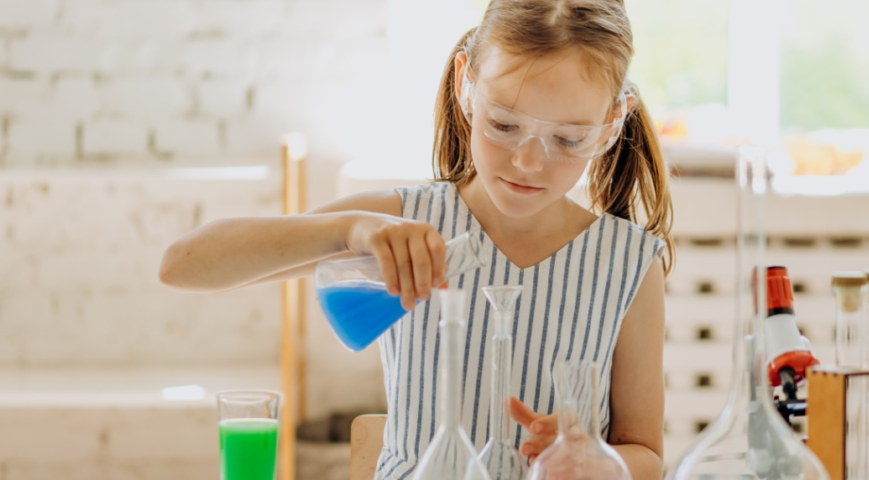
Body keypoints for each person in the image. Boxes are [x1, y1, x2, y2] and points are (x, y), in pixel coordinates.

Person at [159, 0, 674, 478]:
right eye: (503, 124)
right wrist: (349, 229)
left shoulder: (627, 264)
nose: (527, 162)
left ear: (611, 124)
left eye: (568, 138)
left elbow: (646, 454)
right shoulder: (404, 223)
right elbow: (182, 265)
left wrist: (600, 461)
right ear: (466, 85)